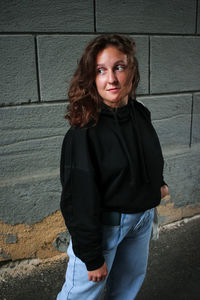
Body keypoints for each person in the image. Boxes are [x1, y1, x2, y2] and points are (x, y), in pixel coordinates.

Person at [57, 34, 168, 300]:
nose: (112, 79)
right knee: (80, 296)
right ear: (91, 77)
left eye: (119, 67)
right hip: (107, 225)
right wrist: (92, 256)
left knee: (126, 291)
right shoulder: (84, 132)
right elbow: (77, 199)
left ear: (132, 70)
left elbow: (148, 153)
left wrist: (158, 184)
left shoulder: (139, 112)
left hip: (141, 219)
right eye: (101, 70)